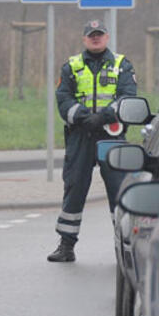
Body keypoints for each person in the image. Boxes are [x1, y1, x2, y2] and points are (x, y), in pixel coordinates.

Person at [47, 18, 137, 262]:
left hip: (112, 136)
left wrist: (103, 118)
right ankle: (66, 246)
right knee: (74, 187)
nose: (95, 38)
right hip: (81, 136)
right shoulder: (71, 67)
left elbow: (128, 97)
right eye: (91, 34)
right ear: (84, 39)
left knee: (119, 192)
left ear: (107, 37)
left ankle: (123, 248)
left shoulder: (122, 65)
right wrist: (85, 118)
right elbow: (63, 99)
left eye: (99, 34)